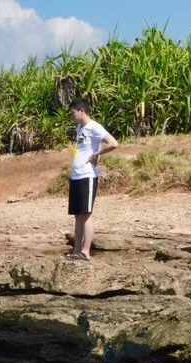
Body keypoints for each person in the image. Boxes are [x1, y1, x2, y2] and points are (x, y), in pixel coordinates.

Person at [67, 100, 117, 261]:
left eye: (73, 112)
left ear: (81, 111)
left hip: (87, 175)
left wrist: (97, 155)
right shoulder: (79, 128)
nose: (72, 116)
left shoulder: (94, 126)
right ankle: (76, 250)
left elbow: (113, 143)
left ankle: (85, 251)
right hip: (76, 175)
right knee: (77, 215)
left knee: (86, 214)